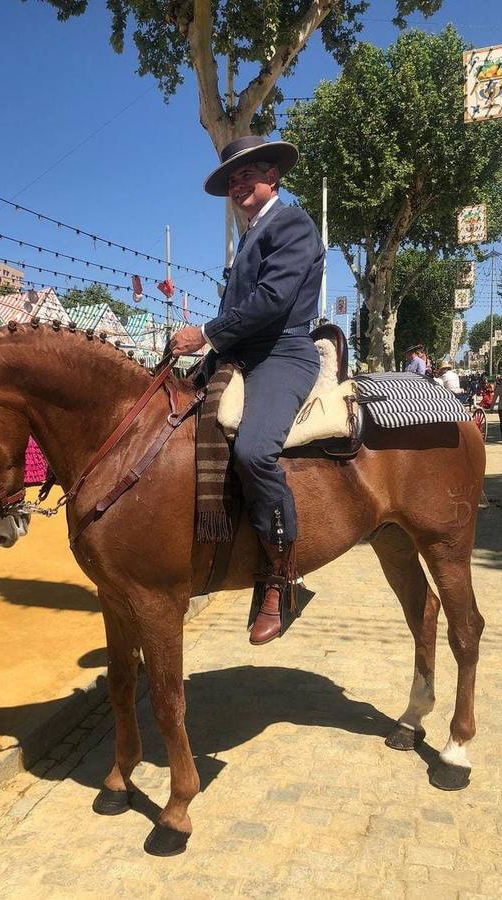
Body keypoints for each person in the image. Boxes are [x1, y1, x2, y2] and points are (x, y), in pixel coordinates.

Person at [169, 135, 324, 645]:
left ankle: (281, 577)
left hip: (283, 353)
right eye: (232, 180)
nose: (238, 186)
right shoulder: (251, 235)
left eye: (246, 176)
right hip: (240, 355)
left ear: (271, 178)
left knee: (256, 451)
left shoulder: (293, 223)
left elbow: (274, 300)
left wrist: (207, 333)